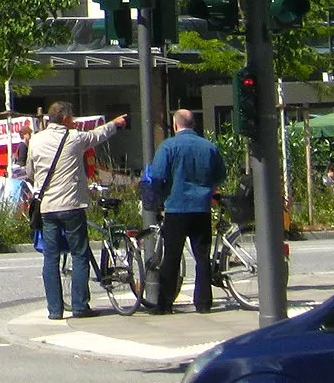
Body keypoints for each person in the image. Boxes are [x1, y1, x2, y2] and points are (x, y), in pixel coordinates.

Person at [25, 101, 129, 320]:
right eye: (71, 117)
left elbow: (30, 172)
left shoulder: (36, 140)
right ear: (64, 119)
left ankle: (55, 310)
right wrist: (115, 124)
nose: (73, 121)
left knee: (50, 258)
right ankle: (80, 306)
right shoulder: (75, 138)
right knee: (80, 254)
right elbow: (97, 135)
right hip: (72, 205)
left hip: (48, 209)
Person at [143, 109, 226, 315]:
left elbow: (158, 174)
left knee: (171, 256)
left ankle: (165, 303)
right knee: (202, 257)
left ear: (175, 125)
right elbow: (220, 175)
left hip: (176, 207)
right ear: (194, 124)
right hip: (202, 208)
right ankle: (204, 302)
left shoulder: (168, 146)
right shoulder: (209, 147)